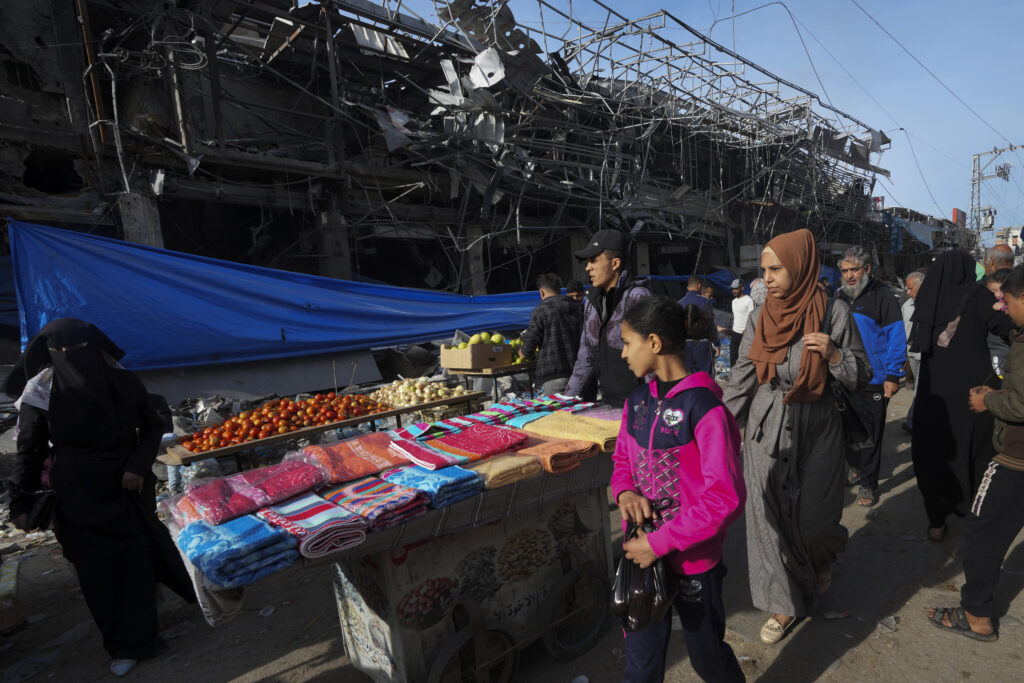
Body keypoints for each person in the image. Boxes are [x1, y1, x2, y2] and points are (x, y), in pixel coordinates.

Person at [5, 319, 195, 677]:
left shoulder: (122, 380)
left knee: (135, 557)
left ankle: (145, 628)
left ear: (94, 347)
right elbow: (28, 452)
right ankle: (124, 644)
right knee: (97, 570)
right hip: (77, 492)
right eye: (58, 353)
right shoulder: (40, 392)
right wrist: (20, 504)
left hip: (128, 484)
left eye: (76, 350)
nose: (68, 358)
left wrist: (138, 466)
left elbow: (154, 424)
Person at [723, 229, 871, 645]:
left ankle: (819, 561)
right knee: (769, 522)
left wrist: (836, 355)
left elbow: (861, 374)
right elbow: (742, 377)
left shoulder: (833, 312)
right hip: (766, 424)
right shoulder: (758, 315)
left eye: (776, 269)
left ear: (801, 266)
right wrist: (716, 428)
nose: (767, 278)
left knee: (817, 522)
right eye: (764, 270)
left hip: (819, 426)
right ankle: (784, 603)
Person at [613, 296, 746, 682]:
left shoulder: (705, 409)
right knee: (641, 665)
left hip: (693, 562)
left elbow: (724, 498)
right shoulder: (636, 402)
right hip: (641, 555)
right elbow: (622, 462)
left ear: (654, 343)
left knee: (707, 657)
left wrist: (661, 542)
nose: (622, 354)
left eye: (626, 342)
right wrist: (625, 493)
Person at [928, 264, 1024, 642]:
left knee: (981, 528)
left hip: (1016, 455)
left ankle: (977, 614)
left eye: (1007, 300)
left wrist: (990, 401)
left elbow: (1021, 404)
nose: (1001, 308)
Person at [909, 250, 1013, 543]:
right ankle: (972, 514)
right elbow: (1006, 327)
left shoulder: (926, 298)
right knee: (974, 453)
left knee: (932, 453)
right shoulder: (976, 295)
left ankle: (936, 522)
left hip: (933, 397)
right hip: (973, 394)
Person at [836, 246, 906, 507]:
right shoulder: (840, 296)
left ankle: (868, 483)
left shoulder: (882, 296)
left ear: (867, 269)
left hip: (874, 380)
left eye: (854, 269)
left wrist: (893, 375)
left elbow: (896, 337)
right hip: (843, 378)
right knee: (846, 431)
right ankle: (855, 467)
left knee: (870, 435)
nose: (849, 275)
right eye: (845, 271)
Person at [566, 229, 652, 406]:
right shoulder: (591, 302)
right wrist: (566, 400)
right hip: (608, 404)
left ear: (615, 263)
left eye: (594, 260)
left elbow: (655, 357)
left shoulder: (637, 298)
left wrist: (658, 407)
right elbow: (585, 357)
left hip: (641, 405)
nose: (587, 267)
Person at [519, 273, 584, 395]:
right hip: (582, 374)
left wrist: (521, 352)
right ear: (560, 290)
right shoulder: (578, 308)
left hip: (556, 378)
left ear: (541, 292)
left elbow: (528, 347)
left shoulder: (540, 311)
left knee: (560, 413)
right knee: (584, 413)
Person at [677, 276, 720, 376]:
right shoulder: (705, 302)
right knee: (706, 377)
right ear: (699, 285)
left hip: (685, 346)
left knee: (689, 377)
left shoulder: (679, 303)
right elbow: (712, 324)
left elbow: (676, 326)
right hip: (703, 345)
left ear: (687, 288)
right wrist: (716, 344)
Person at [901, 270, 925, 432]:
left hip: (926, 354)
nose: (907, 292)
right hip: (912, 354)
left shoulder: (932, 304)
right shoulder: (906, 305)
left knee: (920, 387)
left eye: (910, 289)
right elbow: (903, 330)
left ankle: (912, 419)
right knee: (919, 386)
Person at [984, 268, 1012, 378]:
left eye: (1001, 291)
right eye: (993, 291)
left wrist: (1004, 307)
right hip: (995, 347)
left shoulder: (1008, 303)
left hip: (1005, 345)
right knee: (999, 372)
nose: (998, 295)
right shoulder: (986, 302)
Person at [729, 278, 754, 369]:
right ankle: (733, 376)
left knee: (744, 356)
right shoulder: (733, 302)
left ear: (742, 288)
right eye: (732, 289)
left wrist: (747, 330)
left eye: (736, 288)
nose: (733, 291)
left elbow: (752, 317)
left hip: (745, 333)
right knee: (733, 355)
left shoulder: (748, 300)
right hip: (735, 332)